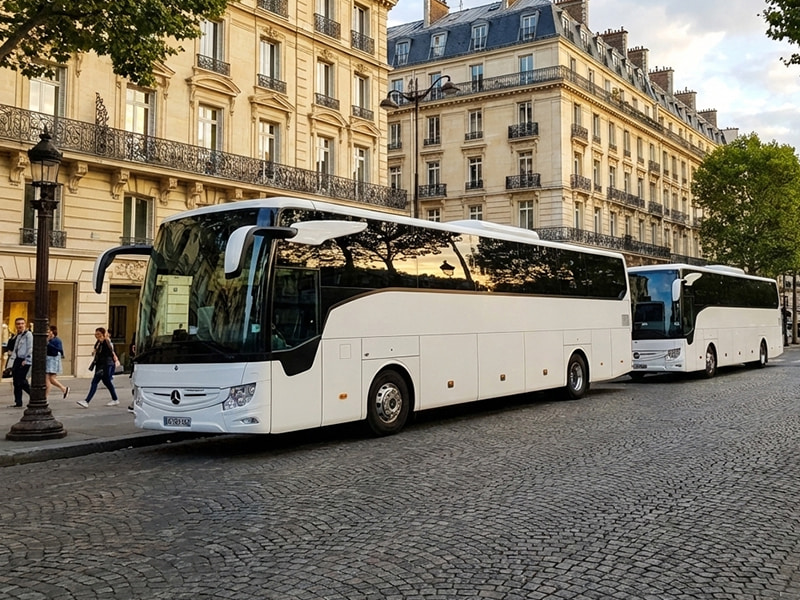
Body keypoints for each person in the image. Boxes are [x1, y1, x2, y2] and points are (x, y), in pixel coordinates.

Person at [77, 327, 119, 408]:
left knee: (95, 382)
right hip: (101, 364)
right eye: (96, 334)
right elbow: (96, 350)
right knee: (107, 382)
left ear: (103, 334)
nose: (97, 336)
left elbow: (111, 352)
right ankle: (115, 399)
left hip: (104, 365)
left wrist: (115, 360)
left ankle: (86, 401)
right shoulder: (99, 342)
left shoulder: (106, 342)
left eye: (98, 334)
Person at [8, 317, 32, 408]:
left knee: (22, 381)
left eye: (22, 324)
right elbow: (15, 349)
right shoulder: (18, 335)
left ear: (25, 324)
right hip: (17, 360)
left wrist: (27, 359)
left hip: (24, 360)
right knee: (16, 381)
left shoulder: (28, 335)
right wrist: (11, 363)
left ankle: (34, 396)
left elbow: (30, 348)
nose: (20, 326)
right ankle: (18, 402)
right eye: (18, 324)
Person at [46, 325, 69, 399]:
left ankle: (63, 388)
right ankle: (63, 389)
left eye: (48, 331)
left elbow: (58, 350)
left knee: (50, 379)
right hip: (48, 360)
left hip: (53, 360)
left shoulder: (56, 340)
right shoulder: (48, 340)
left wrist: (48, 344)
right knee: (49, 379)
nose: (47, 333)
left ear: (52, 332)